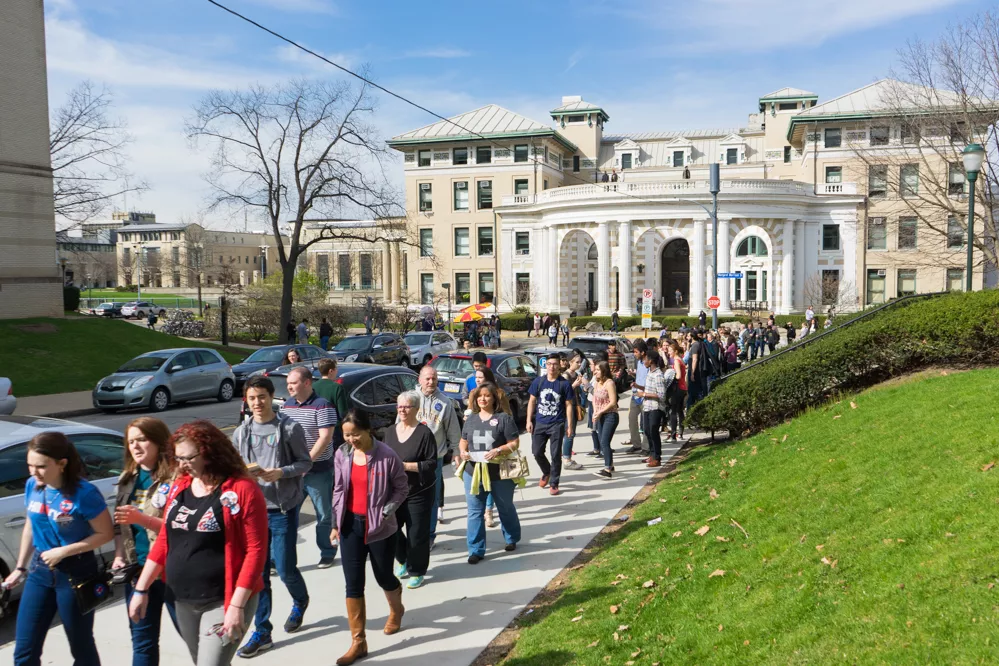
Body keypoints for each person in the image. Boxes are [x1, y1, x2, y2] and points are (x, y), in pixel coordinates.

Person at [129, 420, 268, 666]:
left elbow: (256, 551)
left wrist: (236, 605)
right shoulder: (181, 485)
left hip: (223, 600)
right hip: (182, 599)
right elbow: (164, 541)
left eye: (187, 458)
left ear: (208, 452)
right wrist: (141, 589)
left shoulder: (242, 489)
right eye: (177, 458)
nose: (181, 465)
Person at [7, 432, 115, 666]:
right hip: (39, 571)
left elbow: (105, 534)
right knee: (25, 649)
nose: (33, 472)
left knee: (81, 646)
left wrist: (64, 551)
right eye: (30, 465)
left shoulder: (84, 493)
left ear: (62, 464)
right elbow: (30, 525)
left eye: (41, 467)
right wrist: (20, 567)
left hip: (76, 572)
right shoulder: (32, 486)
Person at [232, 376, 314, 658]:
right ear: (247, 399)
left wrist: (282, 472)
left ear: (271, 397)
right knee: (258, 574)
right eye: (252, 398)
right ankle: (262, 631)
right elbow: (234, 469)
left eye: (262, 397)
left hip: (282, 509)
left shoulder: (289, 428)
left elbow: (305, 462)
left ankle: (300, 600)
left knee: (286, 567)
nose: (257, 403)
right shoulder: (241, 432)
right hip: (252, 513)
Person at [331, 410, 409, 666]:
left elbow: (401, 487)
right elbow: (339, 489)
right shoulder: (342, 454)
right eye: (346, 435)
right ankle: (358, 642)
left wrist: (389, 508)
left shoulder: (387, 455)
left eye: (355, 434)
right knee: (353, 584)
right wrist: (335, 523)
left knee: (383, 576)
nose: (351, 439)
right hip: (350, 526)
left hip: (380, 527)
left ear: (368, 430)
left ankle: (396, 608)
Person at [113, 417, 177, 666]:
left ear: (159, 442)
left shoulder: (176, 478)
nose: (136, 447)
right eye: (131, 442)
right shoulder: (128, 478)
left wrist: (141, 518)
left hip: (172, 570)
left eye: (142, 440)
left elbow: (182, 530)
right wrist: (119, 556)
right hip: (138, 570)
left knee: (196, 638)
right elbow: (120, 525)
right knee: (142, 641)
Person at [458, 383, 523, 563]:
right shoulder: (470, 419)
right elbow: (463, 440)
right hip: (473, 472)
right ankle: (476, 550)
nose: (483, 399)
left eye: (487, 396)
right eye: (480, 396)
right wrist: (462, 451)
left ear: (494, 398)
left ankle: (511, 538)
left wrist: (499, 450)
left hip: (499, 473)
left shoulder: (504, 418)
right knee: (474, 512)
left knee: (505, 507)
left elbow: (514, 443)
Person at [282, 367, 338, 569]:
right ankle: (282, 556)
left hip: (318, 472)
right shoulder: (286, 406)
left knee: (323, 514)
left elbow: (325, 438)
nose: (289, 386)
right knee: (287, 515)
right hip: (292, 473)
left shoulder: (323, 406)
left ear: (307, 383)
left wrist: (306, 463)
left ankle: (327, 551)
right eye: (288, 383)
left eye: (293, 383)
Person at [383, 392, 437, 590]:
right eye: (399, 407)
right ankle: (403, 559)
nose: (402, 410)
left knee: (417, 534)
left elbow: (431, 464)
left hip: (418, 492)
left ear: (416, 409)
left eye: (406, 407)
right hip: (393, 492)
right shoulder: (389, 432)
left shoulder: (424, 433)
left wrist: (405, 466)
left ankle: (417, 570)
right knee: (392, 530)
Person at [416, 366, 461, 548]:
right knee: (412, 497)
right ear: (419, 380)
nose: (431, 382)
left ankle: (429, 534)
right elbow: (398, 425)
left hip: (435, 457)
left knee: (432, 498)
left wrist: (457, 451)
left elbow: (453, 430)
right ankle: (415, 531)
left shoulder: (444, 403)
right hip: (412, 456)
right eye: (427, 378)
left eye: (434, 378)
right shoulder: (411, 399)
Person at [526, 357, 574, 496]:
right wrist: (529, 420)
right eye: (549, 364)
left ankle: (554, 483)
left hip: (557, 424)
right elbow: (532, 401)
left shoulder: (564, 384)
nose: (552, 367)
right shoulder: (539, 381)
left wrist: (569, 425)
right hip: (540, 423)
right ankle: (547, 472)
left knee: (555, 455)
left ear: (560, 366)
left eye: (555, 364)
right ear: (545, 365)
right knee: (536, 452)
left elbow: (569, 405)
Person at [637, 350, 669, 467]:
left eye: (645, 359)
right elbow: (649, 387)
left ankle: (657, 457)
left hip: (656, 408)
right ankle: (651, 454)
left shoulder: (658, 375)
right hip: (647, 407)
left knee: (653, 431)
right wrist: (638, 387)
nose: (644, 361)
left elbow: (661, 395)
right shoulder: (650, 373)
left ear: (650, 361)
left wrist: (644, 395)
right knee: (647, 431)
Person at [589, 362, 619, 479]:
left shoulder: (609, 383)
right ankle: (610, 465)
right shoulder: (597, 383)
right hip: (600, 416)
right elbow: (594, 399)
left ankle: (607, 469)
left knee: (604, 442)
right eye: (594, 369)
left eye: (597, 370)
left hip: (610, 416)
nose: (594, 371)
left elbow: (613, 402)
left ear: (604, 371)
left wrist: (601, 411)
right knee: (603, 441)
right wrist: (596, 411)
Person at [559, 353, 584, 472]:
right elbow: (563, 393)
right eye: (577, 362)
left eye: (580, 362)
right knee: (569, 433)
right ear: (570, 362)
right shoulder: (566, 375)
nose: (579, 364)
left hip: (575, 405)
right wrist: (574, 385)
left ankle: (567, 456)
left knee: (571, 432)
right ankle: (567, 459)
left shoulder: (576, 374)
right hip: (567, 407)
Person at [314, 358, 350, 439]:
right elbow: (343, 413)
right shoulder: (337, 387)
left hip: (316, 428)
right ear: (331, 371)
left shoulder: (312, 387)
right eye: (336, 369)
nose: (337, 371)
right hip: (334, 429)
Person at [625, 340, 649, 456]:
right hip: (635, 395)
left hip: (645, 395)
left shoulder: (648, 363)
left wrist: (638, 386)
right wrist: (633, 374)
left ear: (643, 352)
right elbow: (640, 376)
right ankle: (636, 444)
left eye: (636, 352)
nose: (634, 354)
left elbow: (649, 381)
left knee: (646, 422)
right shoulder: (638, 362)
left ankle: (646, 447)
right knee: (631, 419)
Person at [665, 341, 687, 441]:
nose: (669, 353)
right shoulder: (681, 360)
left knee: (673, 411)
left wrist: (671, 376)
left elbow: (678, 375)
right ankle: (681, 433)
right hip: (683, 388)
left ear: (675, 351)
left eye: (670, 351)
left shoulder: (676, 361)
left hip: (677, 388)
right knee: (680, 411)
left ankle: (673, 435)